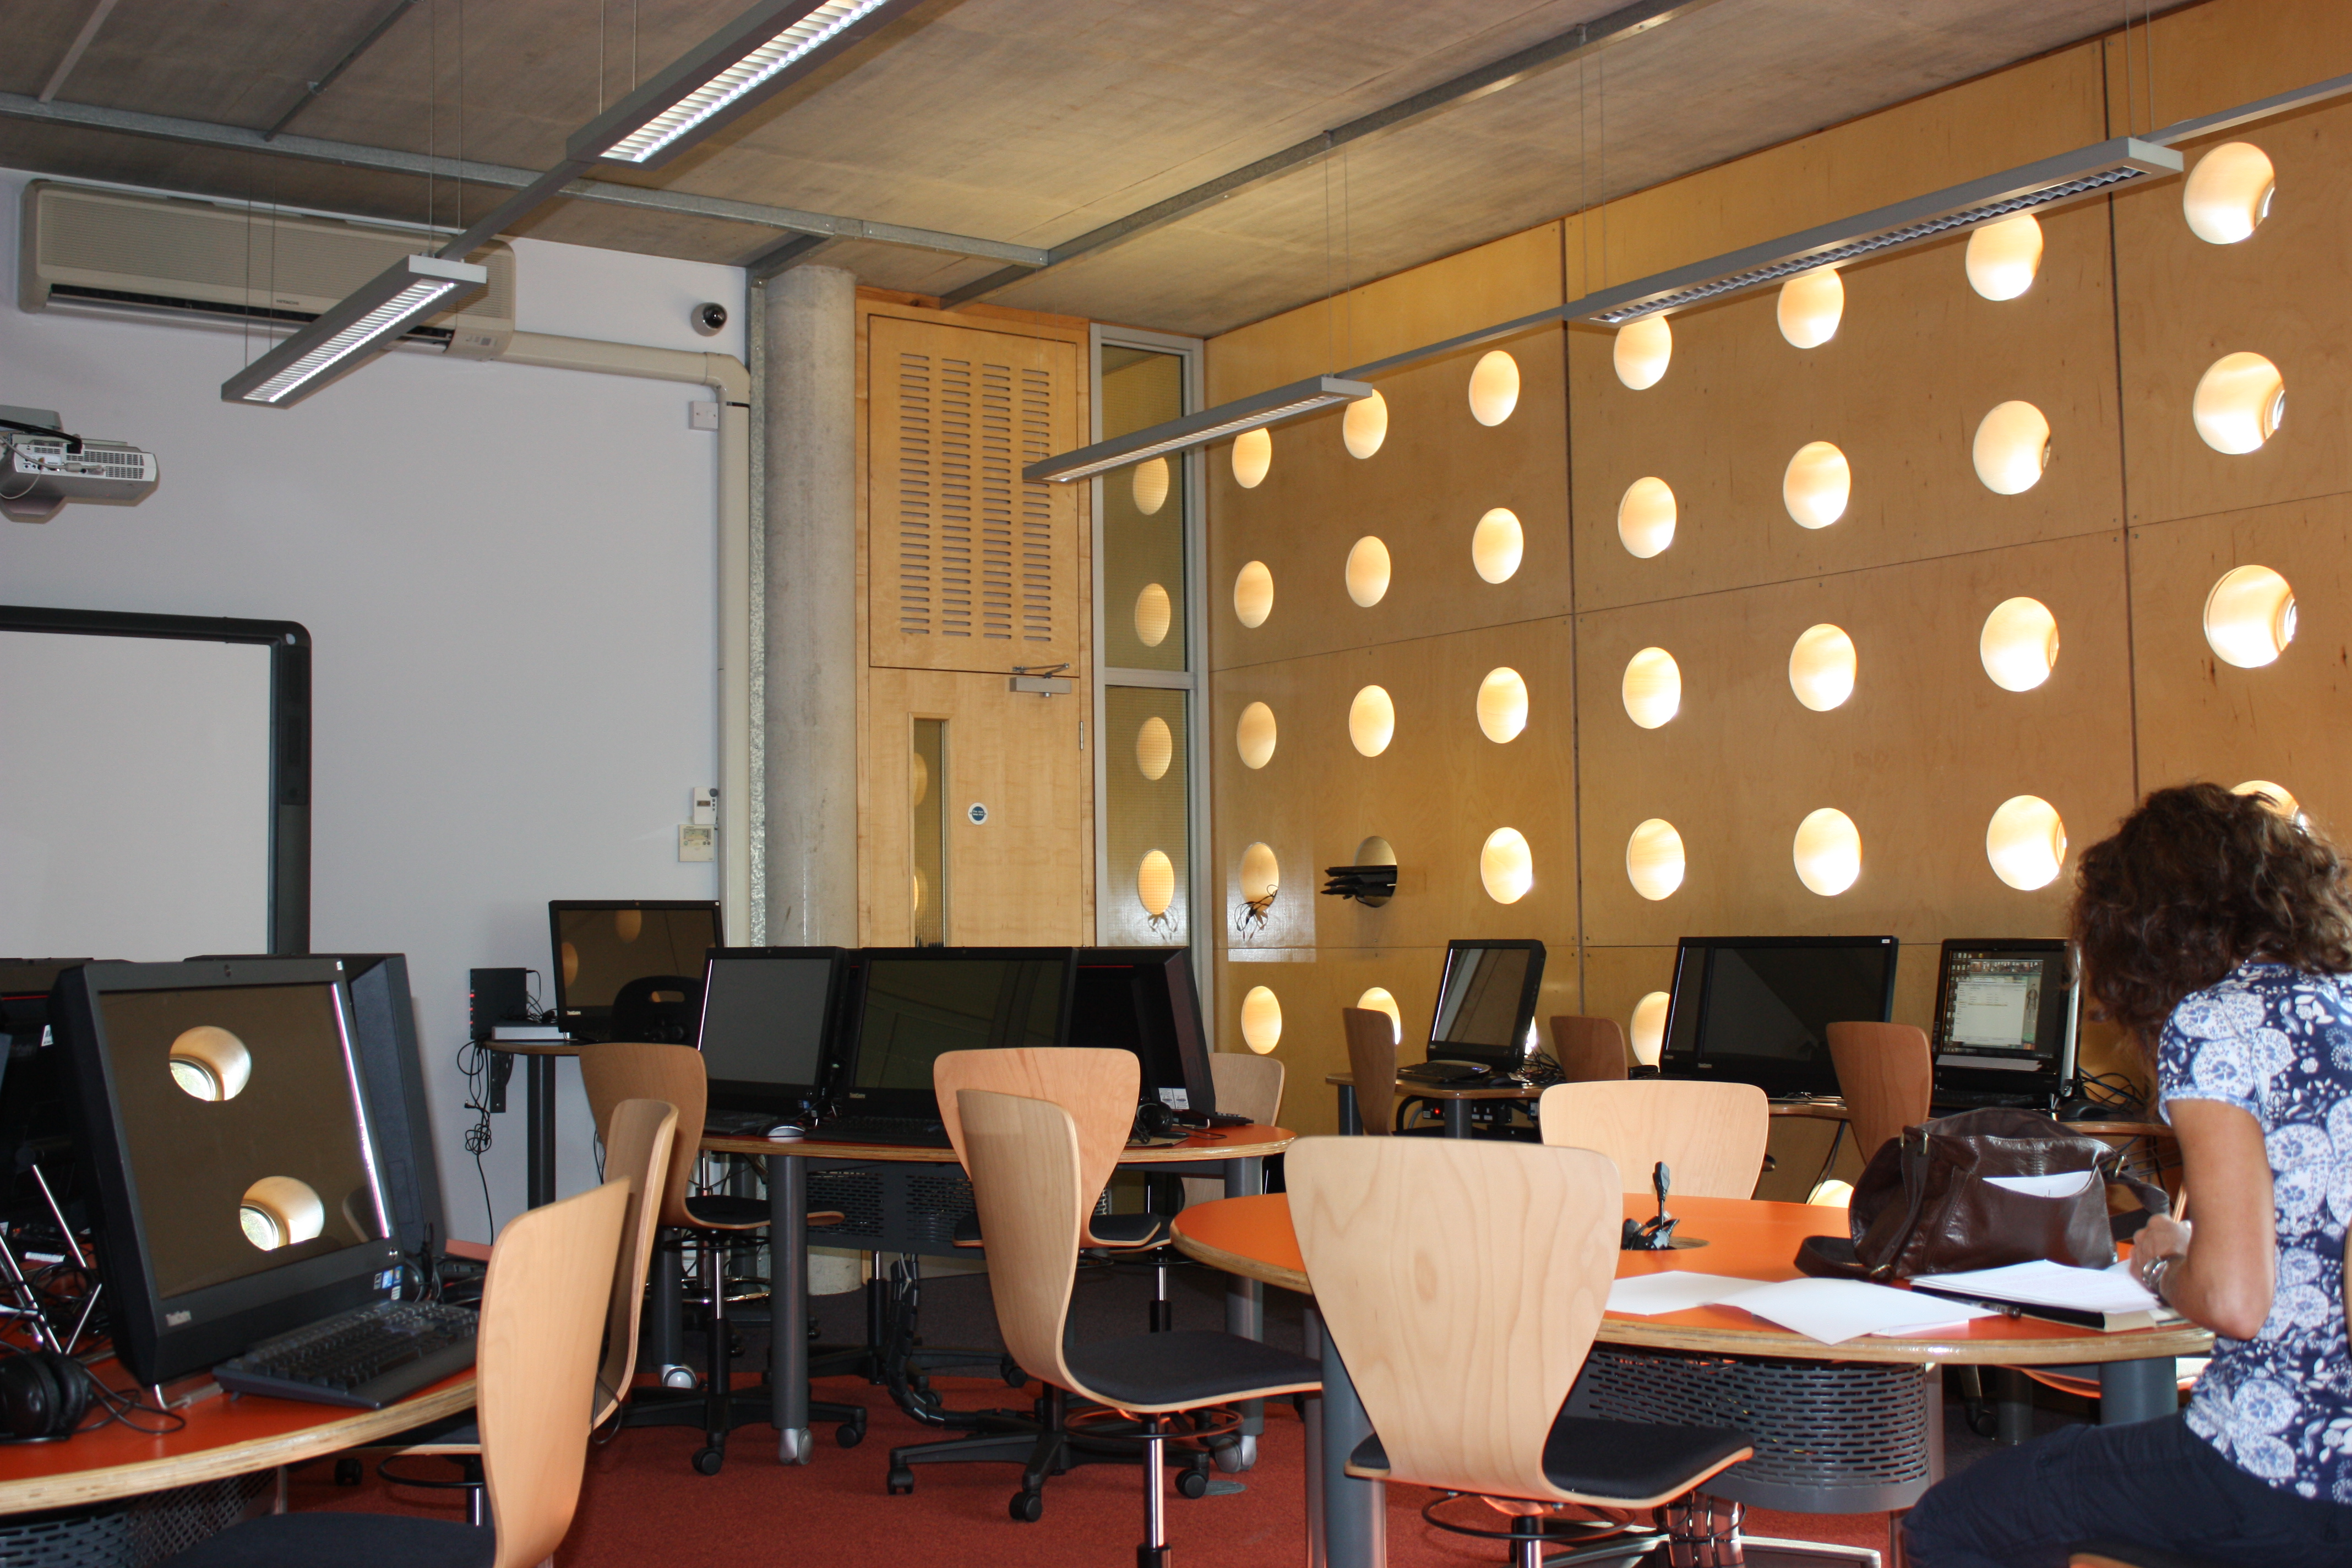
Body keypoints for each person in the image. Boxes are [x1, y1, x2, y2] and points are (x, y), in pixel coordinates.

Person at [1905, 782, 2352, 1567]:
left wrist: (2166, 1263)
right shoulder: (2340, 1002)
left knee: (1951, 1520)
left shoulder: (2214, 1022)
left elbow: (2237, 1304)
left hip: (2277, 1466)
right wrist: (2201, 1240)